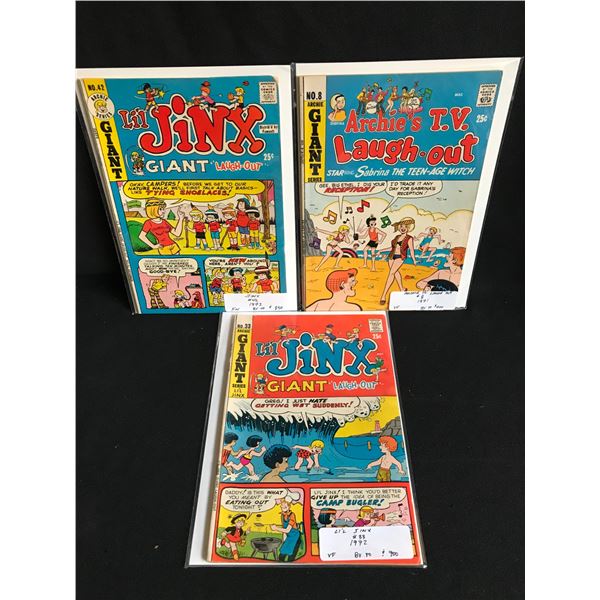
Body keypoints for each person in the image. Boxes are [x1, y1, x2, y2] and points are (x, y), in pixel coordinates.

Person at [379, 217, 417, 304]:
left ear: (408, 228)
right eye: (401, 226)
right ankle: (402, 289)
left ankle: (383, 295)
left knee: (391, 273)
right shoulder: (397, 237)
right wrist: (381, 250)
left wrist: (414, 260)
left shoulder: (409, 238)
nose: (403, 228)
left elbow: (411, 250)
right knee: (395, 273)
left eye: (405, 227)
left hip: (400, 257)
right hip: (391, 256)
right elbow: (391, 248)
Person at [271, 494, 302, 562]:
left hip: (295, 537)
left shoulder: (292, 515)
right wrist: (284, 540)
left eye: (285, 506)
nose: (283, 507)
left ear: (289, 506)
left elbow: (287, 530)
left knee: (291, 557)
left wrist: (276, 528)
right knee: (282, 554)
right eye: (282, 506)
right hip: (289, 537)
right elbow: (284, 529)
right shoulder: (282, 515)